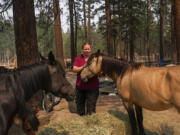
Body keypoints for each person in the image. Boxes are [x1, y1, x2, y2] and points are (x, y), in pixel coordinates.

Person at [73, 42, 99, 116]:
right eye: (85, 49)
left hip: (92, 88)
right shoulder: (79, 58)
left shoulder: (95, 59)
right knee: (80, 108)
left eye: (88, 49)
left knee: (91, 109)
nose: (87, 50)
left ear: (90, 49)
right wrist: (83, 66)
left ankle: (90, 125)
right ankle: (81, 124)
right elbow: (74, 69)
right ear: (82, 50)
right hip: (80, 88)